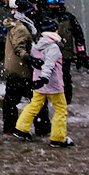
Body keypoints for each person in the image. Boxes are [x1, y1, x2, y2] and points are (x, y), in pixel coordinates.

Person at [13, 17, 75, 147]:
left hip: (37, 82)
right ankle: (58, 138)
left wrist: (39, 80)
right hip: (53, 84)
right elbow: (49, 65)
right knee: (60, 109)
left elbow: (37, 63)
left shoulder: (37, 45)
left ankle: (21, 128)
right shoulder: (53, 48)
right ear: (55, 31)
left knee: (34, 104)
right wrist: (44, 79)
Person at [2, 0, 50, 137]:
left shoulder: (15, 24)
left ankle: (10, 127)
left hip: (15, 69)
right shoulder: (21, 28)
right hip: (23, 70)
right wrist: (30, 59)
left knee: (11, 101)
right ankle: (41, 127)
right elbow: (19, 48)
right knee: (38, 100)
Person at [46, 0, 86, 104]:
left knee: (64, 76)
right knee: (48, 75)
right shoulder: (46, 17)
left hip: (65, 54)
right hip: (49, 53)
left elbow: (79, 36)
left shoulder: (69, 18)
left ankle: (66, 98)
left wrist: (81, 52)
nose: (53, 7)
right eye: (51, 4)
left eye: (55, 4)